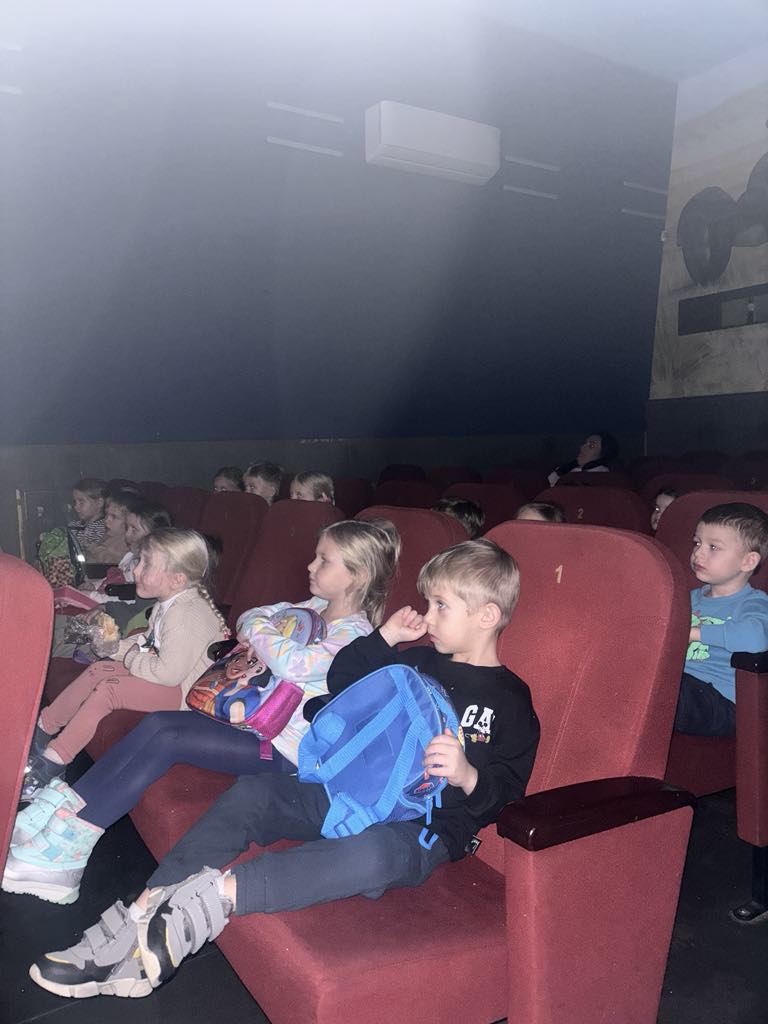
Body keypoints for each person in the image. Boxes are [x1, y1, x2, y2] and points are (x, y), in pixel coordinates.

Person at [23, 538, 539, 999]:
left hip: (423, 826)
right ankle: (141, 914)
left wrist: (467, 775)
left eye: (441, 606)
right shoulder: (418, 661)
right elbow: (343, 680)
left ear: (486, 616)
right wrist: (385, 636)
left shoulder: (510, 701)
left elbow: (508, 793)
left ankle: (200, 907)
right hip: (348, 790)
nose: (428, 614)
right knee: (257, 793)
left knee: (379, 854)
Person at [4, 520, 400, 905]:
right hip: (245, 720)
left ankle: (67, 852)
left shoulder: (356, 636)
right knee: (160, 726)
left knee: (169, 735)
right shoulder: (309, 607)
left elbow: (293, 663)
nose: (310, 566)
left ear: (357, 575)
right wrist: (264, 631)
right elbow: (248, 617)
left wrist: (263, 633)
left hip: (283, 749)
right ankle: (62, 812)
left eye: (324, 560)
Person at [16, 528, 228, 803]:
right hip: (170, 676)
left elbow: (167, 674)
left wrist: (127, 656)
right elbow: (146, 644)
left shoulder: (186, 613)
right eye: (139, 561)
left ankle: (53, 762)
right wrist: (114, 647)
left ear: (177, 578)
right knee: (99, 669)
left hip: (186, 694)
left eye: (146, 564)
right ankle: (42, 729)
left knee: (110, 689)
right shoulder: (168, 603)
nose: (136, 570)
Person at [675, 502, 768, 737]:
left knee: (668, 690)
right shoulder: (688, 598)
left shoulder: (753, 603)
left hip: (722, 702)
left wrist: (694, 633)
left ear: (748, 561)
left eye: (713, 547)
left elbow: (756, 638)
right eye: (697, 543)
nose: (698, 553)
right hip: (680, 685)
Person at [547, 432, 619, 487]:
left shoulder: (604, 477)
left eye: (591, 446)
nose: (582, 447)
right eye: (584, 443)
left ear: (604, 453)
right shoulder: (568, 470)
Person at [70, 478, 109, 550]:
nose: (76, 507)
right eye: (75, 502)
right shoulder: (73, 526)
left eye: (81, 502)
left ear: (100, 503)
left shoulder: (105, 528)